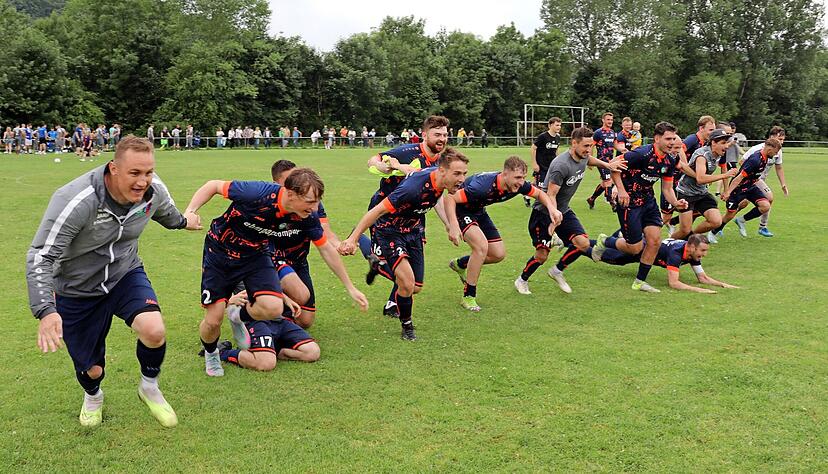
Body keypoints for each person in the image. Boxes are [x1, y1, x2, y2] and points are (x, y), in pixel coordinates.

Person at [25, 135, 200, 428]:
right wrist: (46, 310)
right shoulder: (77, 200)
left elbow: (168, 214)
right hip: (76, 289)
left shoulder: (153, 191)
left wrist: (185, 222)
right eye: (135, 173)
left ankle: (149, 386)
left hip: (124, 273)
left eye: (148, 172)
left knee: (154, 330)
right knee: (91, 370)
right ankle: (93, 396)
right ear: (114, 169)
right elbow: (42, 256)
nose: (143, 181)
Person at [185, 169, 332, 377]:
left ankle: (238, 316)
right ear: (290, 193)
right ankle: (212, 353)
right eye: (309, 200)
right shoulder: (256, 193)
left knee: (273, 307)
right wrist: (190, 211)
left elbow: (325, 245)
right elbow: (214, 185)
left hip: (255, 254)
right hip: (219, 252)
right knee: (213, 320)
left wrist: (351, 287)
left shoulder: (303, 214)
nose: (315, 207)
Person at [338, 149, 467, 341]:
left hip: (413, 232)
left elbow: (418, 177)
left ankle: (377, 262)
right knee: (406, 283)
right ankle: (407, 327)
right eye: (457, 173)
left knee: (415, 287)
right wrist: (353, 239)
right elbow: (376, 211)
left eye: (464, 173)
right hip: (389, 230)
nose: (462, 178)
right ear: (441, 171)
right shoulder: (412, 189)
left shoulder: (440, 181)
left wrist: (451, 225)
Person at [515, 126, 627, 295]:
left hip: (564, 210)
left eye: (591, 146)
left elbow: (590, 160)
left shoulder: (583, 156)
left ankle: (557, 271)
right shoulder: (561, 165)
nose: (589, 150)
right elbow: (551, 194)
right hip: (544, 213)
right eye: (585, 146)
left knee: (582, 243)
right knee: (541, 256)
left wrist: (608, 165)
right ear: (574, 143)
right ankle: (521, 280)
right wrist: (554, 215)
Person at [257, 160, 368, 329]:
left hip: (299, 261)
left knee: (306, 321)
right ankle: (261, 316)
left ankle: (276, 317)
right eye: (290, 181)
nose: (297, 184)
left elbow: (324, 233)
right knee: (298, 294)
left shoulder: (311, 204)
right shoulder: (266, 203)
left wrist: (339, 245)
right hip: (272, 260)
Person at [364, 116, 451, 318]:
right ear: (424, 135)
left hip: (413, 219)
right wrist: (388, 167)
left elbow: (436, 195)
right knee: (400, 270)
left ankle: (391, 304)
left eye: (445, 135)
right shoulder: (407, 152)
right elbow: (373, 160)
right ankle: (362, 244)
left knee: (414, 282)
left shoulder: (440, 160)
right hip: (385, 216)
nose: (442, 139)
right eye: (437, 134)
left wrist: (448, 224)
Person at [447, 156, 556, 311]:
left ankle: (460, 264)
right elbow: (450, 199)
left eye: (523, 177)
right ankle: (469, 296)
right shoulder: (482, 187)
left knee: (498, 254)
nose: (521, 182)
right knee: (481, 247)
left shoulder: (518, 186)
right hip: (461, 210)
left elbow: (539, 194)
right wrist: (452, 225)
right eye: (517, 177)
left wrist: (552, 209)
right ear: (504, 174)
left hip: (479, 211)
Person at [599, 121, 688, 293]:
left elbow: (667, 188)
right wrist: (622, 190)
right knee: (635, 248)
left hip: (648, 201)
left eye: (674, 139)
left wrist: (676, 203)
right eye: (668, 138)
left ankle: (640, 282)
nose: (671, 142)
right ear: (656, 138)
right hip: (629, 203)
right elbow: (614, 167)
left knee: (655, 241)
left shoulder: (671, 159)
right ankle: (605, 240)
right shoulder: (641, 154)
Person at [595, 234, 739, 293]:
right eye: (703, 250)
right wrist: (701, 290)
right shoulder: (676, 254)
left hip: (645, 253)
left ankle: (584, 244)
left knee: (612, 258)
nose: (704, 254)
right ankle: (587, 244)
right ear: (692, 247)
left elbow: (702, 278)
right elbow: (674, 283)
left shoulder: (692, 253)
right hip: (639, 251)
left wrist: (723, 284)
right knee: (608, 258)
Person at [672, 129, 738, 241]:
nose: (726, 146)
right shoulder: (702, 155)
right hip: (686, 193)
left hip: (701, 193)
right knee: (684, 230)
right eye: (723, 143)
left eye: (727, 143)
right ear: (713, 142)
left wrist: (726, 190)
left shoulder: (720, 153)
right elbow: (701, 178)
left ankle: (691, 236)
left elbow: (723, 168)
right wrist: (724, 176)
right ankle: (665, 244)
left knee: (716, 221)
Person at [714, 138, 782, 238]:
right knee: (730, 214)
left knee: (765, 206)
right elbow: (740, 176)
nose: (776, 155)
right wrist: (728, 192)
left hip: (750, 187)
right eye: (775, 152)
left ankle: (741, 220)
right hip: (739, 187)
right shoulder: (755, 159)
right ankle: (714, 232)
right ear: (770, 149)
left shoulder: (766, 157)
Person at [662, 115, 715, 233]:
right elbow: (680, 148)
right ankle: (641, 235)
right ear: (701, 128)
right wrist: (684, 164)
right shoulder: (693, 139)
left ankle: (680, 230)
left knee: (693, 209)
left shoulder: (705, 143)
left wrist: (703, 176)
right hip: (675, 179)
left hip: (688, 182)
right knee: (667, 214)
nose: (712, 133)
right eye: (710, 130)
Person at [737, 126, 788, 237]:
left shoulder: (778, 151)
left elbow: (779, 167)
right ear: (772, 137)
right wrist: (752, 175)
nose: (782, 142)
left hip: (759, 180)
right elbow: (741, 162)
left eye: (783, 140)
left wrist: (783, 184)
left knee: (743, 203)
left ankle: (760, 226)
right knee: (768, 198)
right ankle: (760, 226)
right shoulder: (757, 149)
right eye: (780, 139)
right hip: (752, 179)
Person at [527, 117, 561, 207]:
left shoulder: (558, 137)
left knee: (545, 185)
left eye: (560, 125)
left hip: (552, 166)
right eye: (557, 125)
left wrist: (558, 161)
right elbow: (533, 148)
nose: (559, 127)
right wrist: (534, 163)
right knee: (541, 187)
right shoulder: (543, 136)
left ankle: (526, 194)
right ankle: (539, 205)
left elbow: (556, 150)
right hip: (541, 166)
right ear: (550, 125)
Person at [586, 112, 617, 209]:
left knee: (605, 183)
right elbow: (591, 145)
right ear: (603, 120)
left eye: (611, 120)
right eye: (608, 119)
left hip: (610, 161)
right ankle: (612, 202)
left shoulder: (612, 132)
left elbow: (615, 145)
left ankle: (591, 199)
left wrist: (623, 149)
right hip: (601, 160)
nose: (610, 121)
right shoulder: (598, 132)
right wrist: (590, 160)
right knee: (608, 181)